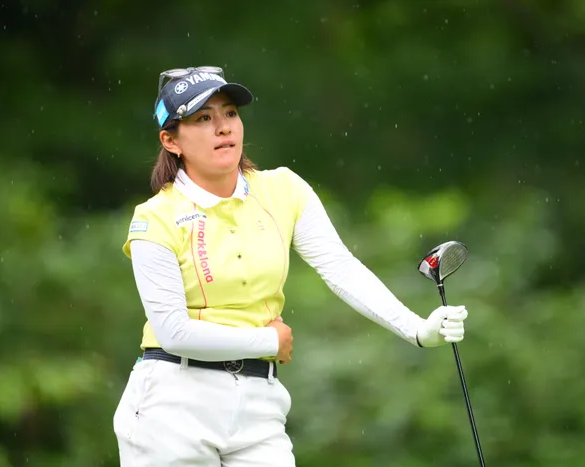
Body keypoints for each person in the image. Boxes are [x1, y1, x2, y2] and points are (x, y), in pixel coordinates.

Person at [113, 65, 469, 467]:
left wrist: (417, 329)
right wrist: (268, 341)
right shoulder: (154, 218)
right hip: (172, 406)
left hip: (258, 404)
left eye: (230, 113)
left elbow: (340, 267)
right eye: (203, 119)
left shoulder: (282, 189)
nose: (223, 127)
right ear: (171, 140)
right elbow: (173, 332)